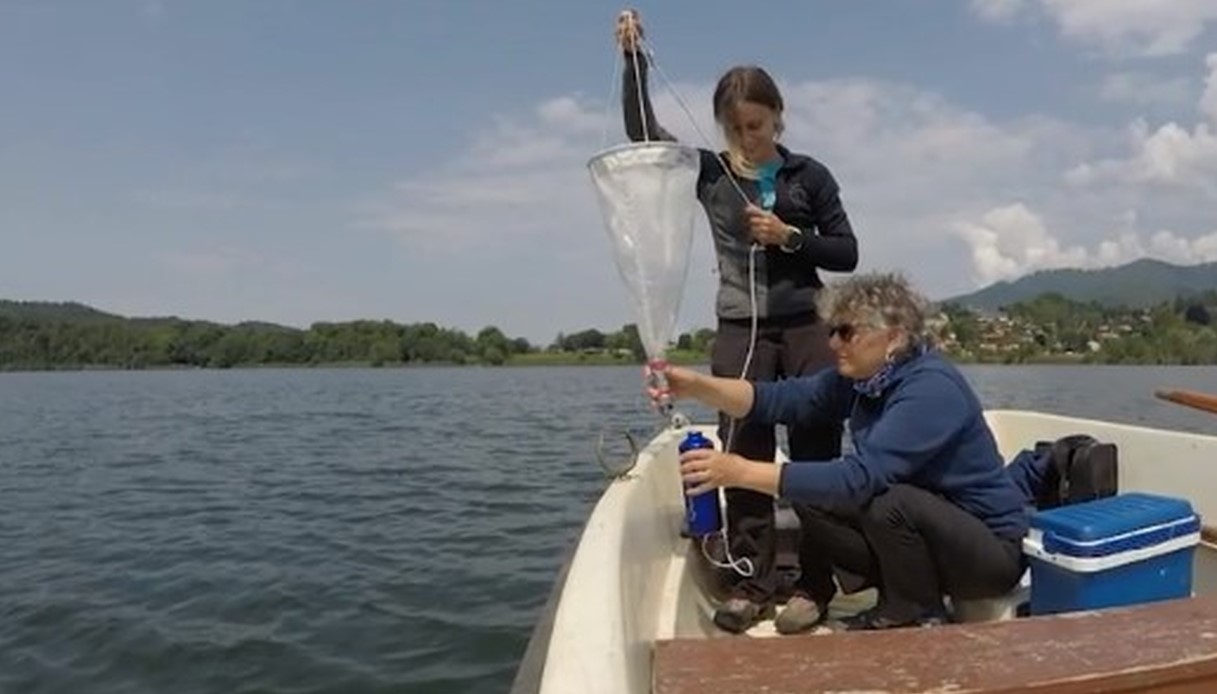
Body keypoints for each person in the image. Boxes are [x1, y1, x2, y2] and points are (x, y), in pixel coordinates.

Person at [614, 8, 860, 633]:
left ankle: (813, 584)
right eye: (735, 127)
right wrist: (634, 61)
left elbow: (846, 251)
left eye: (756, 124)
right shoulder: (709, 172)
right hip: (739, 328)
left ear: (778, 116)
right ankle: (750, 581)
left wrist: (790, 236)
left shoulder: (810, 175)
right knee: (743, 450)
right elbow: (645, 131)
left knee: (814, 453)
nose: (747, 137)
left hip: (807, 325)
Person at [647, 272, 1030, 632]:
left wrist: (739, 472)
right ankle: (900, 596)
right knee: (813, 495)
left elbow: (862, 477)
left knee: (887, 500)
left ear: (893, 338)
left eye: (846, 332)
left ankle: (912, 612)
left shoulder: (930, 389)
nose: (833, 344)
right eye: (831, 331)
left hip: (989, 554)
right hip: (933, 536)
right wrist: (696, 385)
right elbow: (776, 399)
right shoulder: (864, 381)